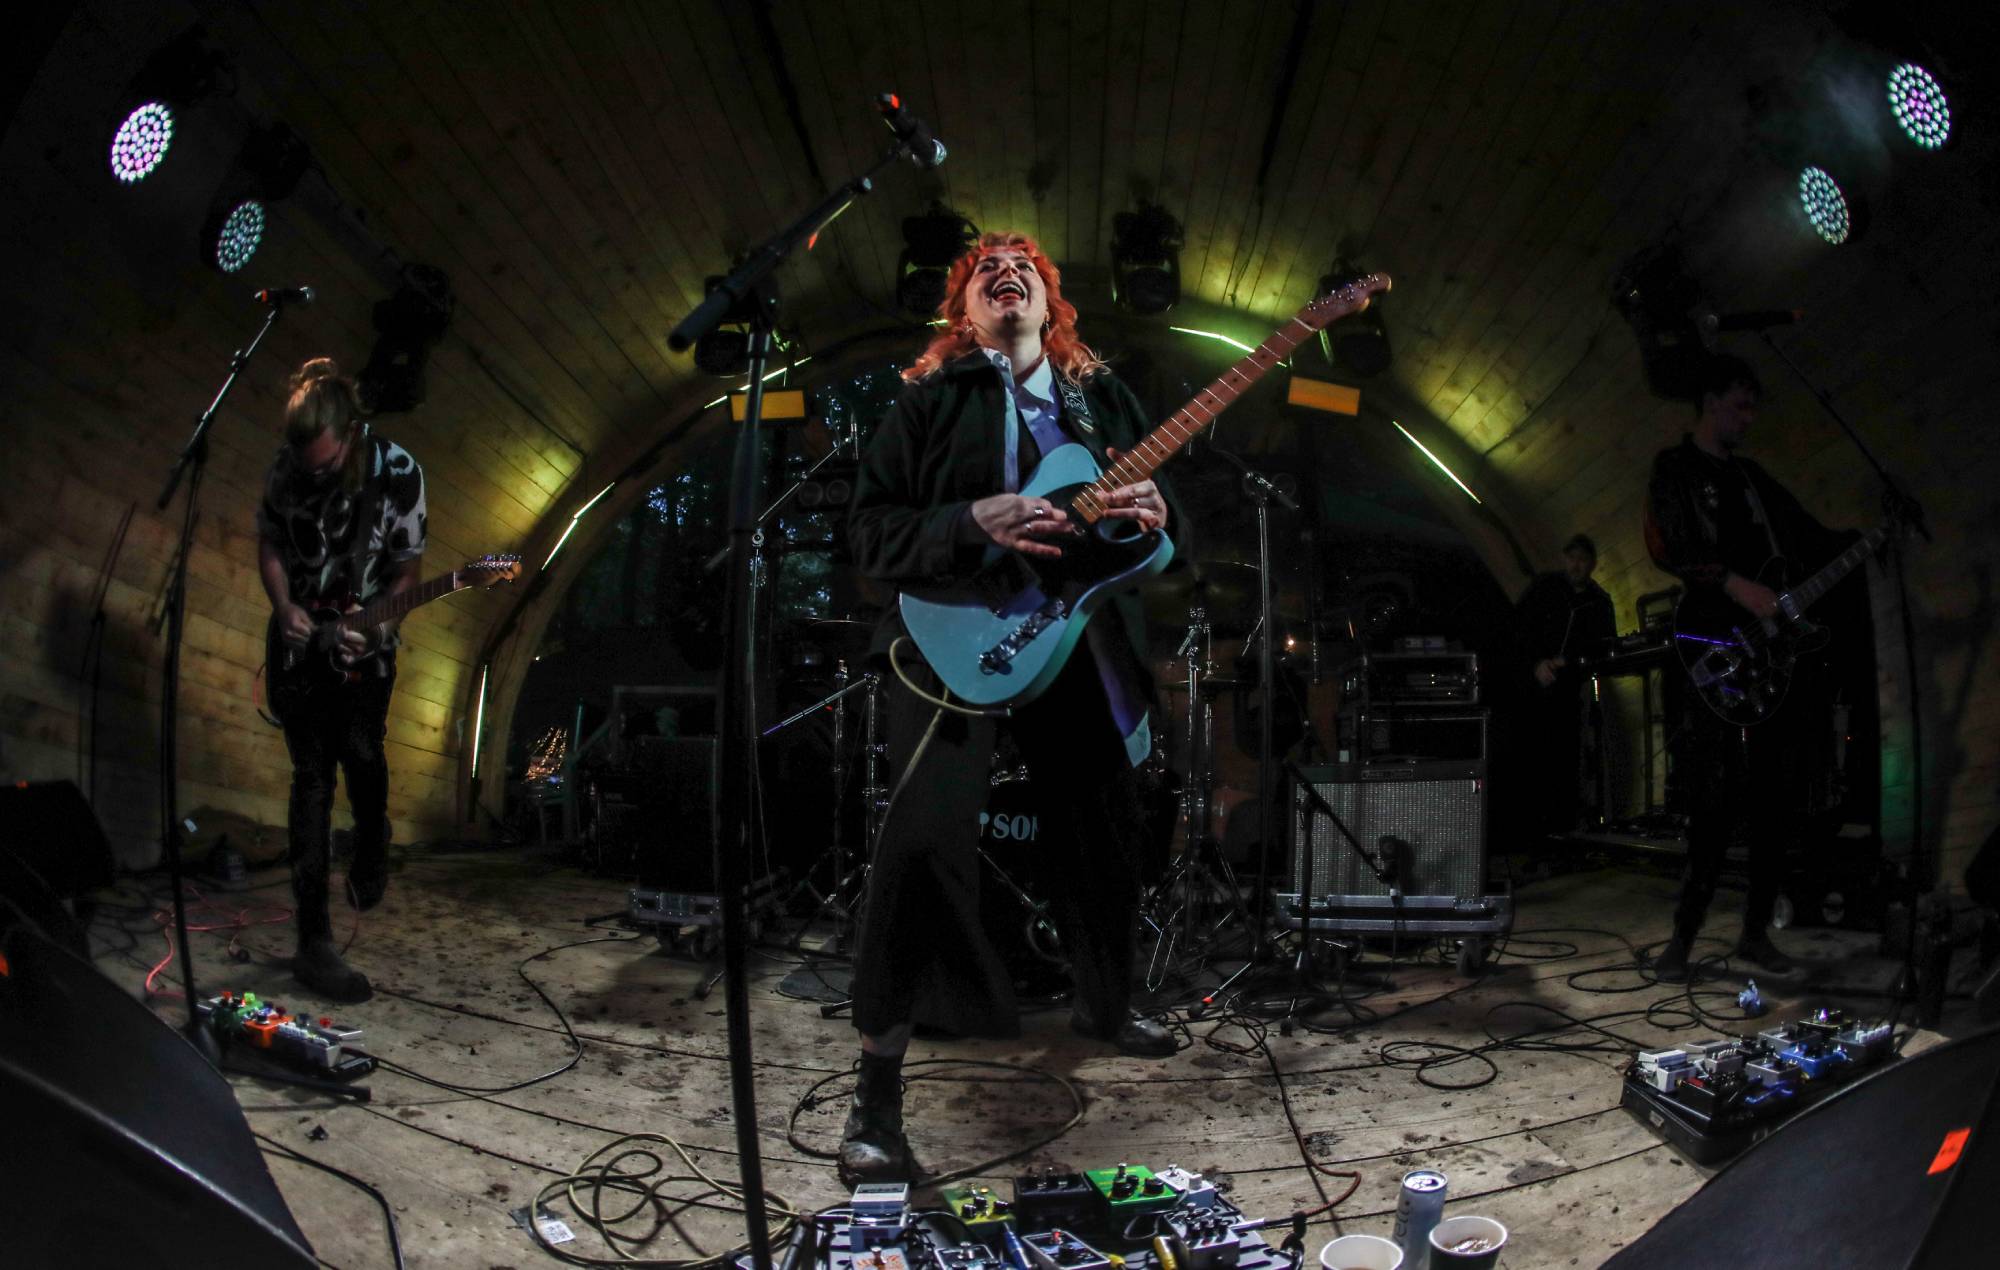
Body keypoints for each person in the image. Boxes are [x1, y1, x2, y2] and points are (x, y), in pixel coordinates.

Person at [843, 232, 1181, 1182]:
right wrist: (966, 521)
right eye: (986, 269)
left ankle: (1106, 1006)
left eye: (1025, 268)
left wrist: (1159, 517)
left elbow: (1161, 537)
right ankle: (876, 1092)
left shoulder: (1103, 400)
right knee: (918, 840)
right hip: (950, 636)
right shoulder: (929, 400)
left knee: (1106, 825)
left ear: (1050, 301)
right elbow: (867, 531)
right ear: (964, 310)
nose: (1007, 272)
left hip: (1076, 638)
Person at [1643, 354, 1849, 980]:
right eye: (1739, 404)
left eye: (1752, 406)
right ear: (1709, 401)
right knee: (1712, 797)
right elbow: (1669, 545)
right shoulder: (1675, 468)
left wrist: (1864, 538)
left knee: (1773, 798)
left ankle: (1755, 933)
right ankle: (1683, 939)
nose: (1748, 417)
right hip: (1708, 643)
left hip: (1768, 658)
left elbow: (1808, 538)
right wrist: (1735, 584)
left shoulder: (1754, 479)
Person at [257, 358, 427, 1003]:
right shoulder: (286, 467)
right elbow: (269, 544)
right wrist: (283, 607)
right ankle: (313, 939)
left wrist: (379, 627)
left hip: (367, 646)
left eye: (325, 468)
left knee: (362, 753)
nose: (313, 476)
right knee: (310, 782)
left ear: (352, 435)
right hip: (299, 651)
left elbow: (409, 573)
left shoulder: (400, 473)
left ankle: (373, 840)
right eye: (306, 466)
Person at [1513, 534, 1616, 837]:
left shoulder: (1599, 602)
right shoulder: (1545, 588)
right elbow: (1520, 629)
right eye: (1572, 557)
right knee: (1532, 759)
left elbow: (1603, 646)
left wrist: (1566, 662)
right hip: (1532, 687)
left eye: (1582, 559)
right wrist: (1535, 664)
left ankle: (1560, 828)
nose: (1576, 564)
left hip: (1569, 692)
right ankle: (1531, 829)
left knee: (1564, 761)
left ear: (1592, 564)